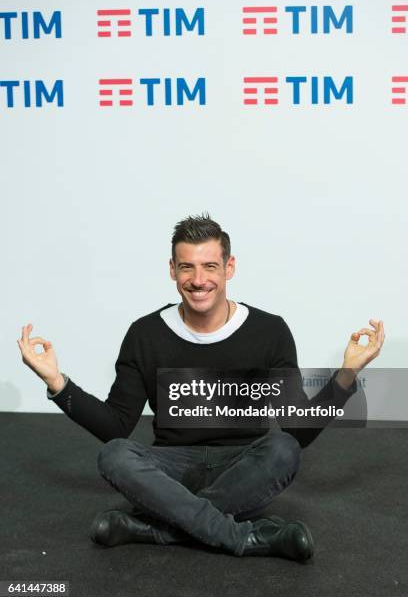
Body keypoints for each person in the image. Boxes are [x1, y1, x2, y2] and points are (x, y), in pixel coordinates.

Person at [17, 212, 385, 561]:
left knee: (283, 448)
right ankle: (246, 537)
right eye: (187, 267)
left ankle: (160, 529)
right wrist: (56, 382)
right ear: (172, 270)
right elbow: (116, 426)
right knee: (114, 454)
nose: (198, 279)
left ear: (229, 268)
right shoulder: (145, 334)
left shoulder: (269, 331)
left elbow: (298, 431)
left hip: (242, 468)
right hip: (170, 469)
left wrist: (347, 373)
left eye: (210, 266)